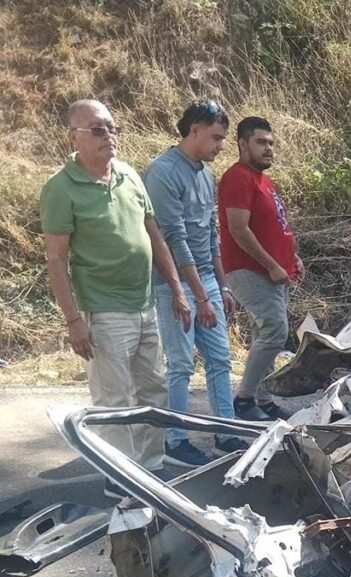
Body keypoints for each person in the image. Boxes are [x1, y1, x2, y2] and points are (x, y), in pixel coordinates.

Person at [40, 99, 192, 498]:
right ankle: (119, 477)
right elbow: (56, 259)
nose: (109, 136)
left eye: (112, 127)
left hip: (145, 306)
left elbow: (153, 236)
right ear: (74, 136)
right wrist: (74, 320)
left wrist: (176, 290)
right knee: (113, 399)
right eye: (98, 129)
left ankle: (151, 468)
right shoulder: (60, 188)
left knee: (152, 390)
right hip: (103, 310)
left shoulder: (128, 176)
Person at [144, 99, 246, 468]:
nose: (221, 145)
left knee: (220, 359)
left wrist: (222, 287)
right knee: (182, 364)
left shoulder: (205, 173)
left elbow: (211, 234)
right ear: (195, 130)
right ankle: (175, 439)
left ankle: (226, 433)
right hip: (175, 284)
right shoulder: (162, 172)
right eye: (216, 137)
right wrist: (199, 296)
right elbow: (174, 238)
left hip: (205, 282)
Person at [217, 115, 303, 421]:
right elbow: (238, 229)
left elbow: (275, 226)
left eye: (271, 143)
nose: (268, 149)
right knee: (275, 330)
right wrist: (271, 264)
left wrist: (292, 259)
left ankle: (263, 400)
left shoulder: (266, 181)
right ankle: (244, 400)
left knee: (264, 334)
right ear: (242, 144)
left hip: (275, 271)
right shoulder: (238, 177)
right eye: (260, 142)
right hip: (249, 270)